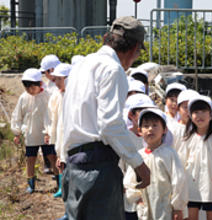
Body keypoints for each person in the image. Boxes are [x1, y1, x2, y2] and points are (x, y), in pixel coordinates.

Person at [61, 16, 150, 220]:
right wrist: (139, 164)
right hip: (97, 167)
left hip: (74, 165)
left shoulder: (81, 66)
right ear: (135, 48)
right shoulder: (113, 69)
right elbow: (109, 125)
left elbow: (67, 118)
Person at [124, 108, 188, 220]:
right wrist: (137, 198)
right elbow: (129, 182)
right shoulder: (138, 157)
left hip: (165, 208)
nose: (150, 129)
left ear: (164, 129)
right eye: (146, 126)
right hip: (144, 209)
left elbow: (179, 181)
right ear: (139, 131)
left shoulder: (169, 154)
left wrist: (178, 207)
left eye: (155, 125)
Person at [11, 68, 58, 193]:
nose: (30, 91)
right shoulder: (23, 97)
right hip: (30, 134)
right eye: (27, 88)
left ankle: (60, 182)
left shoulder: (47, 96)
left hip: (45, 133)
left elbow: (51, 115)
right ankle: (31, 184)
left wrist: (50, 131)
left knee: (52, 157)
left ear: (40, 84)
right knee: (30, 159)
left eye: (32, 88)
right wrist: (17, 133)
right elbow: (17, 115)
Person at [121, 93, 156, 220]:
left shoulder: (155, 139)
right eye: (142, 112)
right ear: (131, 115)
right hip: (130, 197)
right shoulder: (124, 138)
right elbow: (121, 167)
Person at [44, 63, 71, 198]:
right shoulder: (57, 95)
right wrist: (48, 132)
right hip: (61, 133)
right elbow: (50, 116)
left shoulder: (75, 96)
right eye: (56, 80)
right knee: (60, 160)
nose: (57, 83)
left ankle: (68, 190)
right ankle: (62, 187)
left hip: (71, 135)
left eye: (59, 79)